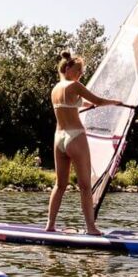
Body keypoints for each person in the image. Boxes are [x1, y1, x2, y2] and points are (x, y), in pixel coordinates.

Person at [45, 50, 122, 235]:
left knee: (60, 185)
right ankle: (91, 228)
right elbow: (97, 100)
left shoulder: (55, 89)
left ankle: (50, 225)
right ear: (68, 67)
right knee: (85, 186)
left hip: (59, 139)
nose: (80, 75)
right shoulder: (75, 86)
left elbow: (76, 104)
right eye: (78, 70)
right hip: (76, 137)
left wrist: (89, 104)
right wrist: (115, 102)